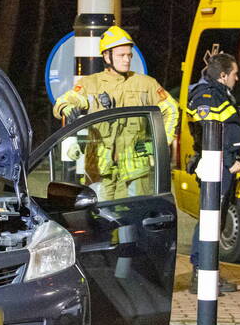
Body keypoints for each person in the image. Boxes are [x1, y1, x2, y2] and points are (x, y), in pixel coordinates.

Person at [53, 26, 178, 200]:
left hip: (136, 170)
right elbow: (63, 102)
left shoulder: (145, 84)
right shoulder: (91, 84)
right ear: (106, 56)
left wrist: (157, 145)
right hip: (99, 168)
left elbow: (171, 109)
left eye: (129, 55)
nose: (127, 60)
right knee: (100, 220)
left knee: (132, 222)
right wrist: (67, 108)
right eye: (121, 55)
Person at [186, 53, 240, 295]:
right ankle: (201, 273)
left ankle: (208, 271)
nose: (237, 78)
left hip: (223, 165)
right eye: (234, 73)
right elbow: (211, 133)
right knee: (209, 220)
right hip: (216, 166)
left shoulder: (219, 94)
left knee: (215, 220)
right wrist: (231, 160)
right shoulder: (207, 96)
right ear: (223, 75)